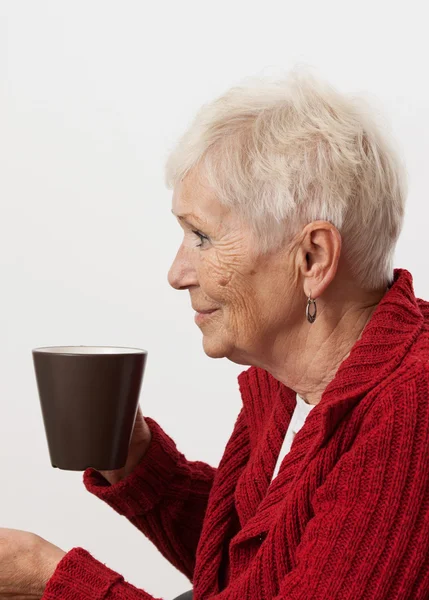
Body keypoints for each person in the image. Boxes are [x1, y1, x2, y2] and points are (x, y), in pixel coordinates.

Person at [2, 69, 429, 600]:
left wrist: (46, 577)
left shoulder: (411, 417)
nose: (177, 273)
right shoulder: (285, 378)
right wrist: (136, 460)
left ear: (312, 257)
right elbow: (264, 562)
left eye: (202, 237)